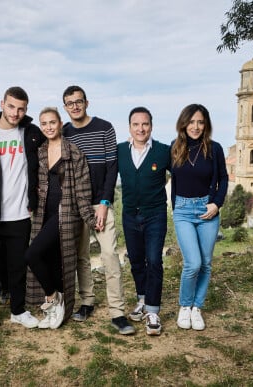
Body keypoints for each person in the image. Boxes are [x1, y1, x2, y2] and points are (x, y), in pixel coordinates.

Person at [62, 85, 134, 335]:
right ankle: (87, 302)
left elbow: (112, 167)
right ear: (65, 107)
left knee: (109, 255)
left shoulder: (105, 127)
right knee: (81, 256)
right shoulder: (64, 133)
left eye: (78, 101)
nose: (75, 106)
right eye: (70, 103)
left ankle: (118, 312)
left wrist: (104, 204)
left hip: (100, 203)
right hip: (75, 205)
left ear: (86, 102)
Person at [0, 87, 46, 338]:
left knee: (17, 266)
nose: (16, 113)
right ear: (2, 104)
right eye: (12, 106)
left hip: (20, 212)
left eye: (21, 108)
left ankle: (18, 310)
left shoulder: (31, 133)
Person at [25, 107, 101, 329]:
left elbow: (83, 190)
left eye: (52, 122)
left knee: (32, 255)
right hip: (43, 213)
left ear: (60, 124)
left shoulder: (74, 153)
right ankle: (57, 308)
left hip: (66, 214)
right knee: (51, 260)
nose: (49, 127)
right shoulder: (40, 152)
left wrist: (89, 217)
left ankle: (53, 298)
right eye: (44, 124)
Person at [170, 104, 228, 331]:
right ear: (183, 124)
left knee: (205, 264)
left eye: (200, 122)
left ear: (206, 125)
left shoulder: (215, 149)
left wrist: (217, 203)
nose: (195, 127)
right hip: (183, 210)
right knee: (192, 263)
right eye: (191, 122)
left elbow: (223, 178)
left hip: (208, 209)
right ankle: (184, 306)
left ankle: (197, 308)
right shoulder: (174, 149)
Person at [117, 107, 171, 336]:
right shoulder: (120, 150)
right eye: (136, 124)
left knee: (154, 260)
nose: (141, 128)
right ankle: (142, 298)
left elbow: (184, 172)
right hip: (129, 214)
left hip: (155, 214)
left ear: (151, 126)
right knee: (137, 261)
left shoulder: (163, 151)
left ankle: (153, 311)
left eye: (145, 124)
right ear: (130, 127)